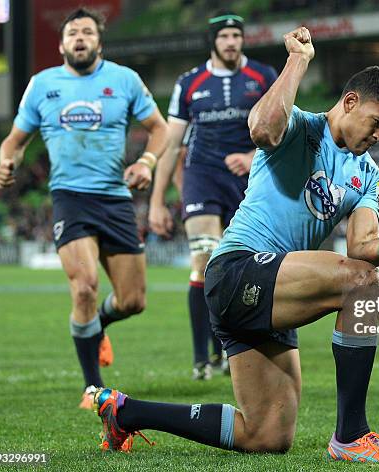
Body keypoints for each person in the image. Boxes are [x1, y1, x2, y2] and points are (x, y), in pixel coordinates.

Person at [92, 27, 379, 462]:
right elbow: (261, 129)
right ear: (351, 102)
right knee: (363, 285)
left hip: (274, 290)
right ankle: (352, 435)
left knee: (267, 435)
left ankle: (125, 412)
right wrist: (298, 59)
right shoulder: (299, 126)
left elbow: (362, 249)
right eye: (378, 122)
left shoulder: (369, 174)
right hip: (238, 269)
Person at [0, 8, 168, 408]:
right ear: (61, 44)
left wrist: (146, 163)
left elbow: (160, 128)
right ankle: (93, 386)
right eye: (73, 32)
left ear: (99, 43)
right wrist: (7, 163)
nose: (80, 37)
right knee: (85, 286)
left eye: (88, 32)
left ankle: (97, 326)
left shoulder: (124, 80)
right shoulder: (42, 85)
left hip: (115, 199)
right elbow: (14, 142)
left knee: (133, 301)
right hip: (69, 198)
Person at [148, 11, 277, 380]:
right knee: (203, 260)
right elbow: (172, 145)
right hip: (201, 175)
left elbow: (281, 127)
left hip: (249, 179)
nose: (232, 42)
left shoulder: (264, 77)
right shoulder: (189, 83)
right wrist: (157, 202)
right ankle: (200, 357)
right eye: (225, 36)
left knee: (239, 266)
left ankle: (227, 350)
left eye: (237, 35)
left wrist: (253, 156)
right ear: (214, 42)